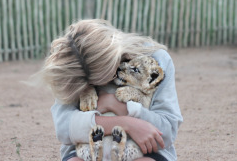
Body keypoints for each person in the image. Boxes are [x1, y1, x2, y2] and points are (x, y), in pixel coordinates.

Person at [39, 19, 183, 161]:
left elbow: (167, 131)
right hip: (85, 151)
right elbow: (64, 128)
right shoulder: (73, 68)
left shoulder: (156, 60)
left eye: (101, 78)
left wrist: (113, 103)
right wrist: (128, 124)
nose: (100, 83)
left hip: (141, 152)